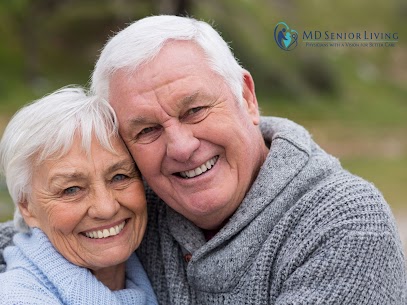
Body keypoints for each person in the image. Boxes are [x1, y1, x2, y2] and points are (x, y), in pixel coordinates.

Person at [1, 15, 406, 304]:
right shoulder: (137, 202)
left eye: (194, 110)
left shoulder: (343, 226)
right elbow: (36, 236)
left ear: (247, 97)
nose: (180, 147)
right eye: (146, 131)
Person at [0, 87, 158, 304]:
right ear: (27, 206)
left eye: (119, 177)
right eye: (71, 189)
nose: (106, 208)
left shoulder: (155, 273)